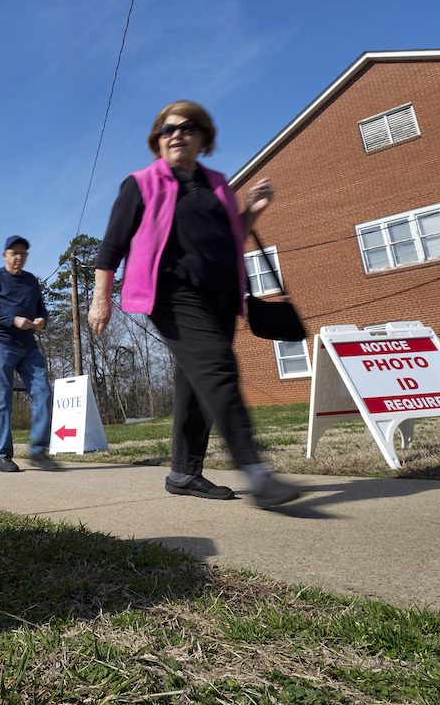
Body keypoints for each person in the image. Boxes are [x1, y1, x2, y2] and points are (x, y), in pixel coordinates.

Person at [87, 100, 299, 508]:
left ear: (204, 137)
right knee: (218, 368)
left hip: (221, 294)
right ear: (157, 140)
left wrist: (252, 212)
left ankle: (183, 473)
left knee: (196, 384)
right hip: (171, 293)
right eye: (167, 129)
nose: (176, 135)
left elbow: (230, 237)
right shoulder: (142, 183)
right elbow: (112, 245)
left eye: (186, 127)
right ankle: (256, 472)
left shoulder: (217, 183)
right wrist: (100, 299)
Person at [0, 236, 63, 472]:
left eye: (23, 253)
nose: (18, 257)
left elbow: (42, 308)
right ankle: (2, 456)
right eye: (14, 253)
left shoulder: (30, 280)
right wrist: (12, 320)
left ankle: (38, 452)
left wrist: (42, 320)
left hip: (29, 346)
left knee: (43, 392)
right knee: (3, 400)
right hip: (1, 345)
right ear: (5, 255)